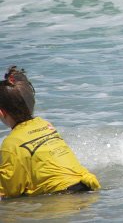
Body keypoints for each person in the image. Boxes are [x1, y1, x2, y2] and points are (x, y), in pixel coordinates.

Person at [0, 66, 101, 199]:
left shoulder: (11, 144)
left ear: (1, 112)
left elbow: (9, 191)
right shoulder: (45, 125)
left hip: (63, 198)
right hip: (88, 187)